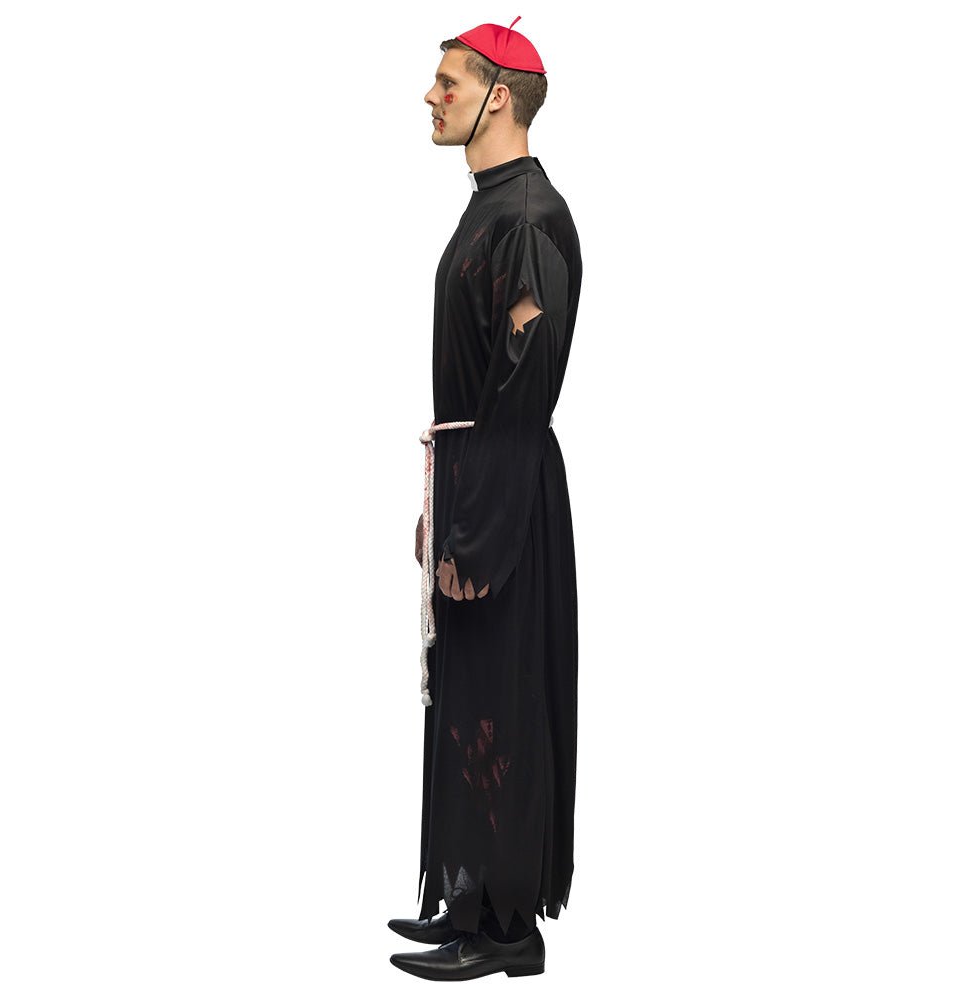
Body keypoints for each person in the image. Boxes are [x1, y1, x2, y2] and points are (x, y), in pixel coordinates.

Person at [388, 18, 583, 981]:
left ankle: (508, 927)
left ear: (497, 96)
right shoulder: (489, 207)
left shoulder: (528, 218)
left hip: (506, 496)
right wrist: (445, 507)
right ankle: (470, 903)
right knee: (468, 697)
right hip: (478, 483)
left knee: (503, 698)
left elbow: (523, 385)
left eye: (448, 83)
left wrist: (480, 524)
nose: (431, 98)